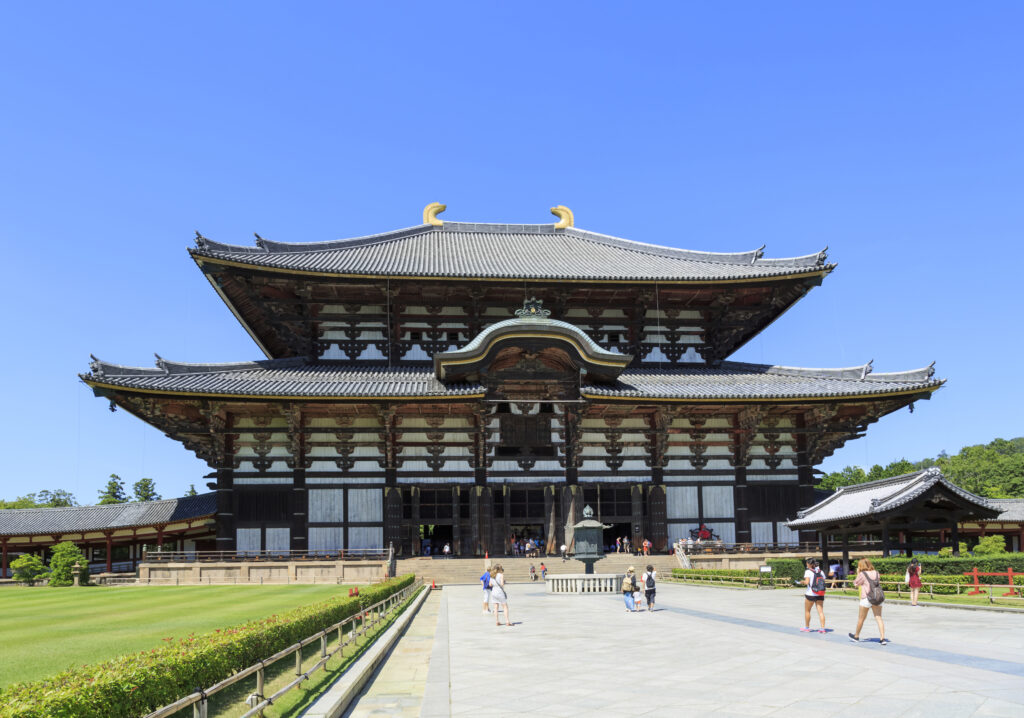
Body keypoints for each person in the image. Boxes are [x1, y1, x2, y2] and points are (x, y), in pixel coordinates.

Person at [850, 558, 887, 644]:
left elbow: (855, 583)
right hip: (877, 597)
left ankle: (856, 636)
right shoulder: (876, 573)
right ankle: (882, 638)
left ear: (861, 566)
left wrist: (858, 573)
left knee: (861, 619)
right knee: (879, 617)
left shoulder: (862, 574)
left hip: (866, 598)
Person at [801, 558, 827, 633]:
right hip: (820, 593)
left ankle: (807, 627)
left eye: (807, 563)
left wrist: (801, 582)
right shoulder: (821, 571)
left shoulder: (808, 572)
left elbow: (806, 582)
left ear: (809, 564)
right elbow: (823, 581)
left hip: (810, 594)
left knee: (807, 611)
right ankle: (822, 629)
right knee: (821, 612)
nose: (806, 565)